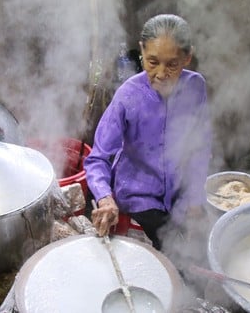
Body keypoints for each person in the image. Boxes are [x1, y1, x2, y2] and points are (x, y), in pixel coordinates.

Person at [84, 14, 212, 251]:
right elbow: (97, 158)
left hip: (178, 192)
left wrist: (195, 198)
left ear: (187, 57)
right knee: (168, 256)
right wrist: (105, 198)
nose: (161, 74)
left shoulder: (195, 87)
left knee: (202, 251)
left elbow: (200, 147)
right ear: (141, 50)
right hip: (138, 195)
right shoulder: (128, 95)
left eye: (172, 64)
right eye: (152, 62)